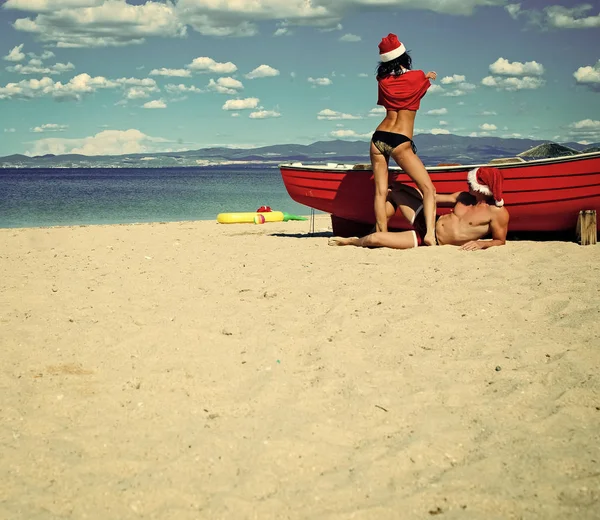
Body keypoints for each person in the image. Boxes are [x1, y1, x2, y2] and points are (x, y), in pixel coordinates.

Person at [329, 167, 510, 251]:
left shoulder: (498, 213)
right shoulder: (463, 197)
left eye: (471, 183)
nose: (468, 184)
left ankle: (353, 241)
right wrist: (405, 188)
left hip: (433, 241)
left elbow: (499, 240)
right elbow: (430, 198)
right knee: (394, 191)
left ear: (482, 187)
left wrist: (482, 243)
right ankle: (379, 227)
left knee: (375, 240)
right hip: (430, 223)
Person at [371, 33, 438, 246]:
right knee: (429, 189)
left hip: (379, 137)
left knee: (381, 191)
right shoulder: (418, 77)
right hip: (400, 139)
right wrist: (427, 77)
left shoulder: (383, 81)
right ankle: (429, 235)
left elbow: (395, 93)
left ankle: (382, 232)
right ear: (403, 55)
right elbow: (416, 94)